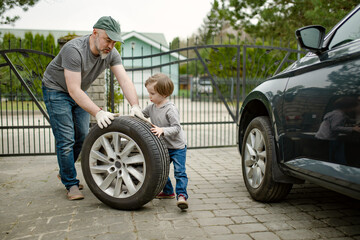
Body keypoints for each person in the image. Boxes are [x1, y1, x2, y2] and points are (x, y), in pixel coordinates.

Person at [42, 16, 144, 200]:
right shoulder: (74, 50)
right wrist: (98, 111)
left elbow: (124, 80)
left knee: (82, 135)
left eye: (114, 42)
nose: (111, 46)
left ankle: (65, 171)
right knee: (66, 138)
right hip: (56, 90)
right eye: (108, 40)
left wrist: (135, 105)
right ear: (95, 33)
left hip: (78, 91)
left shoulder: (111, 53)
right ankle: (71, 183)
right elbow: (72, 89)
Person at [142, 73, 189, 210]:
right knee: (160, 169)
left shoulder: (170, 109)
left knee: (179, 172)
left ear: (163, 94)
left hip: (178, 147)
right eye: (149, 93)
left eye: (152, 93)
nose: (149, 96)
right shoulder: (151, 107)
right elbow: (140, 116)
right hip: (163, 146)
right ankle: (168, 191)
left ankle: (182, 196)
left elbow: (177, 128)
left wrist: (162, 130)